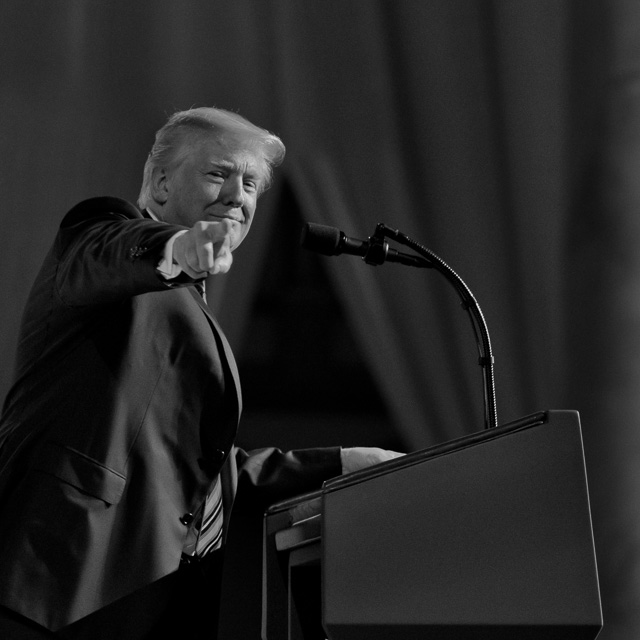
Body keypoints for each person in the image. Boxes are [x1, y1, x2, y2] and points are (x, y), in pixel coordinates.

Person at [0, 107, 402, 639]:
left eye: (251, 183)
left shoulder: (194, 305)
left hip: (148, 598)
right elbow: (103, 253)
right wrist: (174, 249)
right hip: (60, 576)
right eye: (219, 173)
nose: (238, 195)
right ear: (161, 184)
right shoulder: (104, 237)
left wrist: (345, 462)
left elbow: (201, 470)